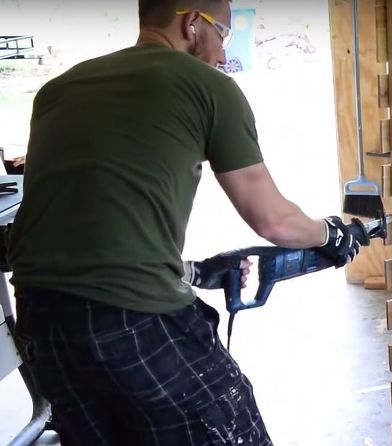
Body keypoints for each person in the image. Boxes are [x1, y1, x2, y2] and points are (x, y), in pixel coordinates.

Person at [8, 1, 368, 445]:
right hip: (132, 318)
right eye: (224, 35)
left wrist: (189, 271)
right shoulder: (208, 86)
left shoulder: (58, 89)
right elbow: (273, 221)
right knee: (230, 430)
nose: (222, 54)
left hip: (41, 323)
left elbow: (88, 222)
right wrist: (333, 234)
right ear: (192, 21)